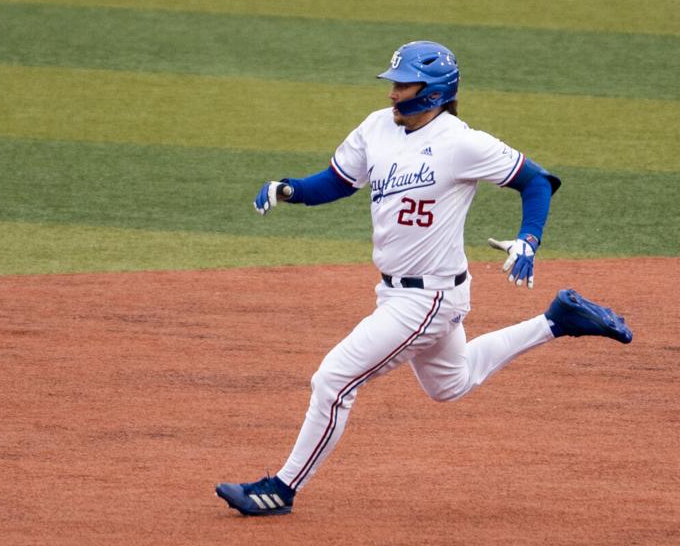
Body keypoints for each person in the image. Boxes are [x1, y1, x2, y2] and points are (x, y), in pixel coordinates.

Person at [215, 41, 632, 516]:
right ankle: (558, 320)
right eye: (393, 83)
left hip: (428, 298)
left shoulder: (462, 143)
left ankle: (280, 489)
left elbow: (537, 180)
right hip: (397, 291)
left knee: (332, 381)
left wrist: (529, 239)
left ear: (432, 92)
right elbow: (337, 181)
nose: (393, 94)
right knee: (450, 384)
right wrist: (289, 189)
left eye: (403, 84)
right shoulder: (377, 127)